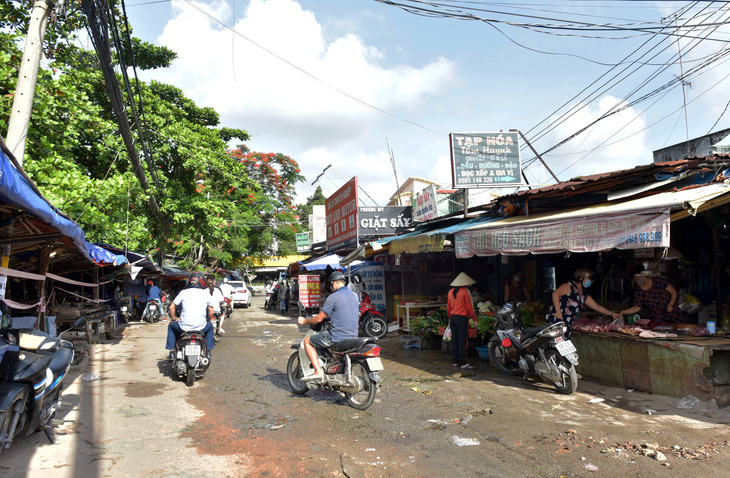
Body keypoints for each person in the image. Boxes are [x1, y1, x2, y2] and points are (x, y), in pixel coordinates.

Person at [296, 271, 359, 382]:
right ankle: (330, 363)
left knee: (307, 341)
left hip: (337, 337)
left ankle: (318, 371)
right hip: (354, 335)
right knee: (322, 340)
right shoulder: (354, 296)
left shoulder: (333, 297)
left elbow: (318, 319)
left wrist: (304, 321)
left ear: (333, 283)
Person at [546, 267, 621, 339]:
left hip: (568, 322)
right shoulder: (570, 286)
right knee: (555, 341)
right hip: (556, 319)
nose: (590, 282)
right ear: (581, 278)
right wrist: (558, 312)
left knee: (564, 342)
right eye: (588, 279)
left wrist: (611, 314)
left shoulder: (583, 293)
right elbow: (555, 294)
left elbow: (596, 307)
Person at [166, 271, 215, 361]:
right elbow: (211, 312)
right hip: (201, 327)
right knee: (210, 327)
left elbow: (171, 307)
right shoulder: (206, 293)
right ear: (202, 281)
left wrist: (173, 319)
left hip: (184, 327)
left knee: (171, 326)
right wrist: (207, 320)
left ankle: (172, 352)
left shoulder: (183, 292)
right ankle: (208, 352)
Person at [446, 272, 478, 370]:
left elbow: (448, 307)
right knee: (463, 341)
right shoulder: (465, 291)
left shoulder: (450, 292)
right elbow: (469, 307)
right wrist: (474, 318)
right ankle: (463, 363)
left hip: (453, 318)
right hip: (462, 319)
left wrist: (449, 317)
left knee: (455, 340)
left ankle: (455, 361)